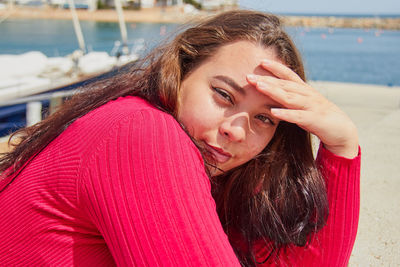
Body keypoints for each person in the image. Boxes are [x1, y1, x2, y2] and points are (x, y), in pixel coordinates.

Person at [0, 10, 360, 266]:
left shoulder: (210, 170)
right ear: (181, 72)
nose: (236, 129)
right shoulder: (141, 132)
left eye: (264, 118)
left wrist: (342, 149)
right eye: (223, 95)